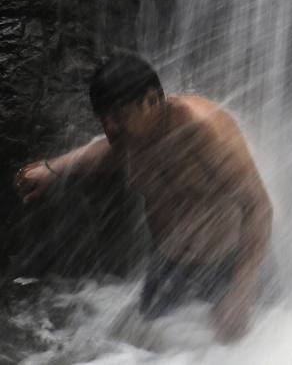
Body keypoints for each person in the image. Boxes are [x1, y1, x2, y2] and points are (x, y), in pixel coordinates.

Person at [12, 53, 272, 341]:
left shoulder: (206, 131)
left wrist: (242, 289)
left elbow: (258, 205)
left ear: (151, 101)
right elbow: (106, 153)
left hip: (230, 265)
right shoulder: (132, 137)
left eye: (119, 116)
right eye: (104, 119)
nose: (110, 129)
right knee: (142, 351)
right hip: (170, 268)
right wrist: (53, 169)